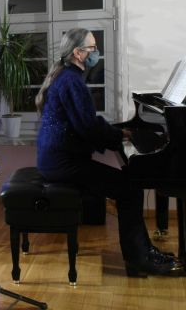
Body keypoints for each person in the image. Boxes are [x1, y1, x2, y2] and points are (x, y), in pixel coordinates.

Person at [35, 27, 182, 277]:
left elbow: (86, 123)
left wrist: (118, 133)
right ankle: (139, 258)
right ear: (78, 53)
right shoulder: (72, 81)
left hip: (58, 159)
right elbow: (88, 127)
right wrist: (118, 136)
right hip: (63, 164)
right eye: (92, 48)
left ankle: (144, 251)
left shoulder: (67, 76)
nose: (96, 52)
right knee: (129, 190)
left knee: (129, 186)